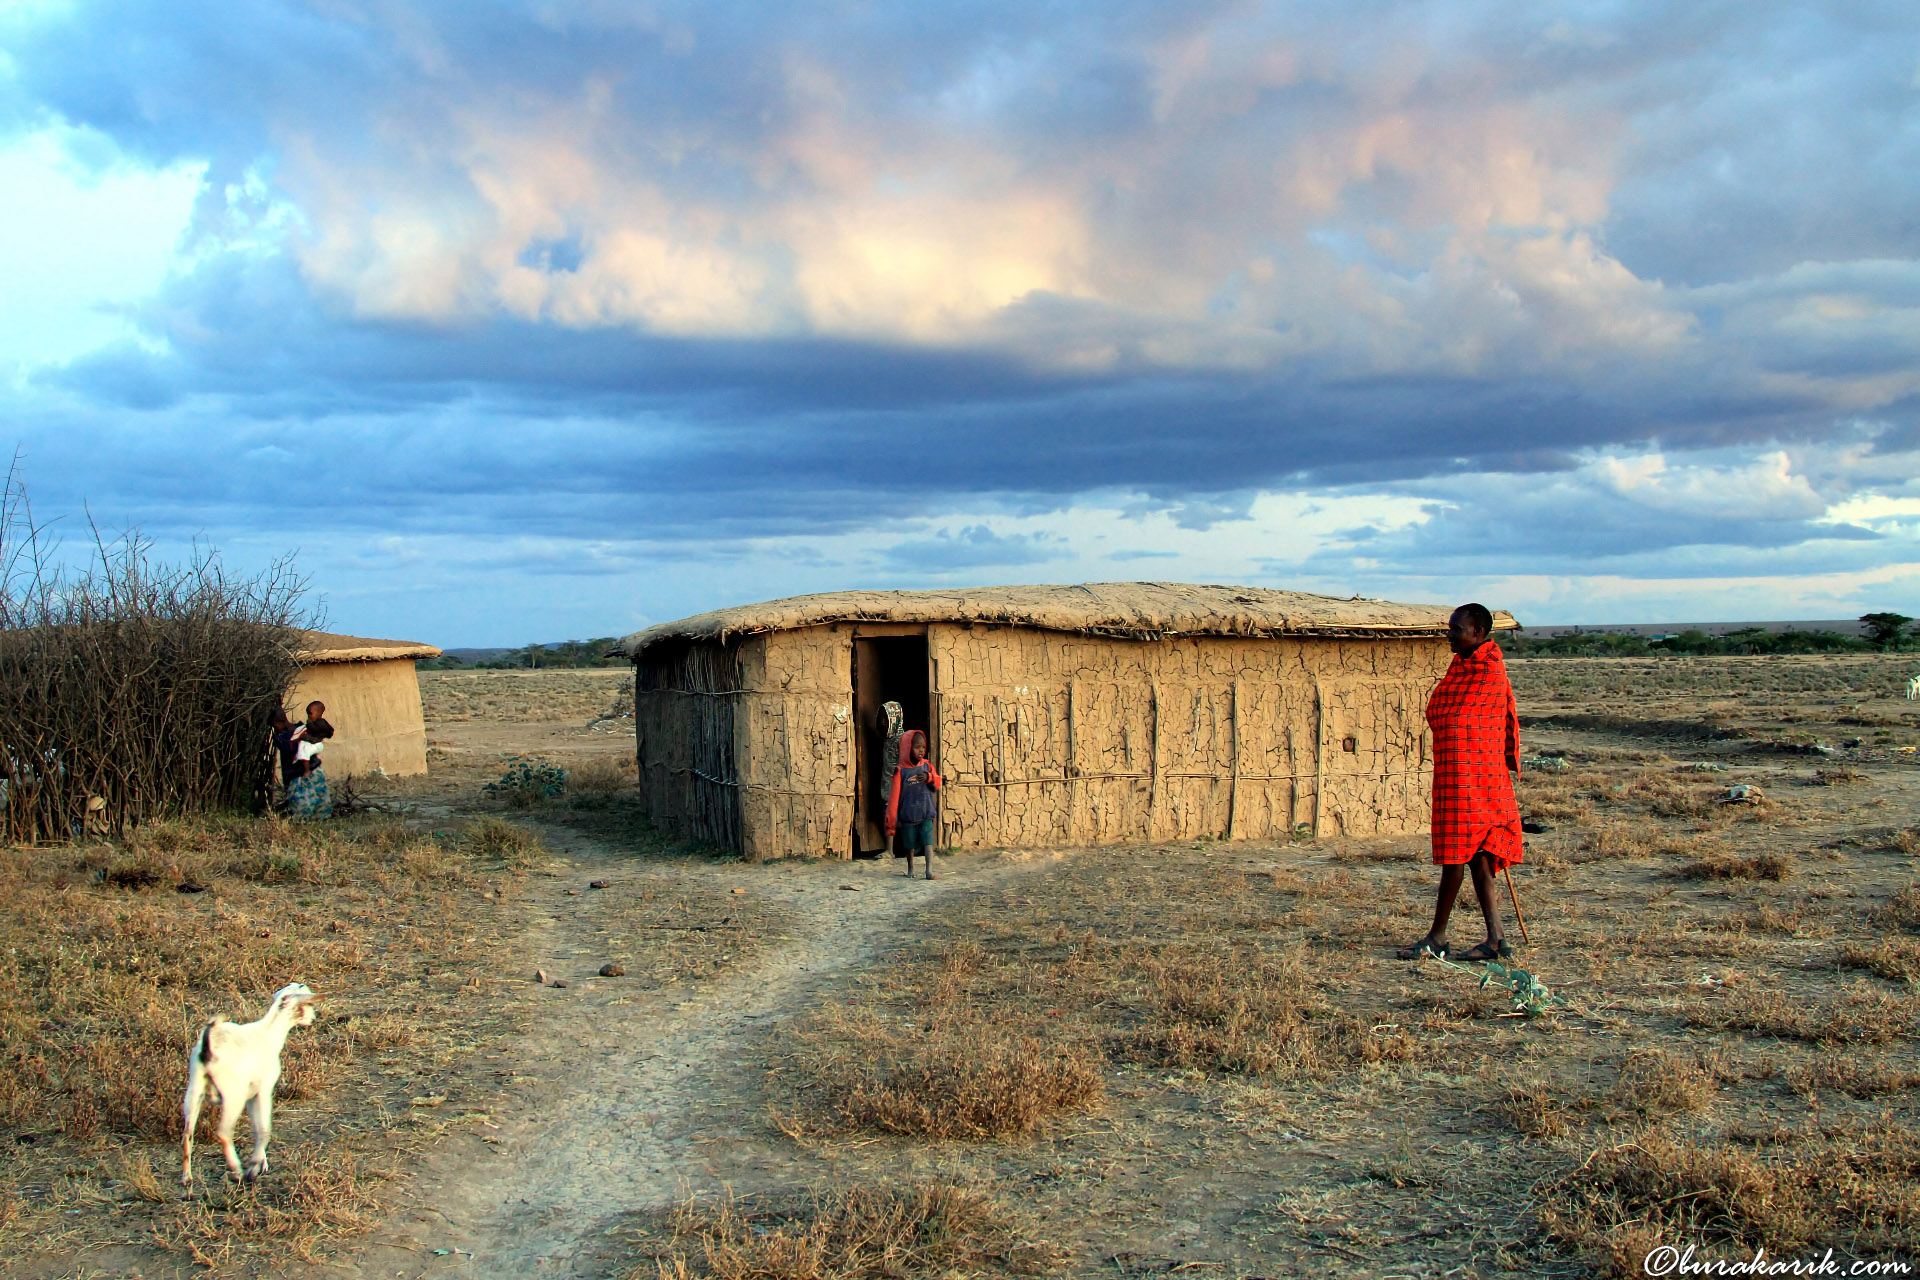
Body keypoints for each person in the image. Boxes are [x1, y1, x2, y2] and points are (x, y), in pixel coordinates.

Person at [1397, 603, 1522, 962]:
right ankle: (1496, 939)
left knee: (1458, 853)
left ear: (1479, 633)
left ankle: (1437, 936)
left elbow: (1463, 718)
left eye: (1457, 629)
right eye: (1450, 628)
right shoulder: (1462, 667)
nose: (1449, 635)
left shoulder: (1489, 672)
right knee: (1478, 856)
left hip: (1478, 778)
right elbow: (1446, 711)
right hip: (1459, 775)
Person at [884, 729, 942, 880]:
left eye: (923, 747)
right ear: (907, 748)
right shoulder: (901, 771)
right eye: (917, 747)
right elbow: (894, 798)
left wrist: (929, 777)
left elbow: (937, 784)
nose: (921, 750)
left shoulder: (927, 767)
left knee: (928, 841)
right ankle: (911, 868)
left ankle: (929, 870)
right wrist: (891, 823)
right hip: (908, 816)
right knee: (909, 845)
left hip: (926, 813)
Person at [283, 701, 334, 820]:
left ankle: (306, 769)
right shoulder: (310, 724)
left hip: (311, 747)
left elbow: (329, 732)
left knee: (305, 750)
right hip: (305, 746)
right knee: (304, 749)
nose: (308, 716)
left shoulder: (319, 723)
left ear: (319, 713)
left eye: (310, 713)